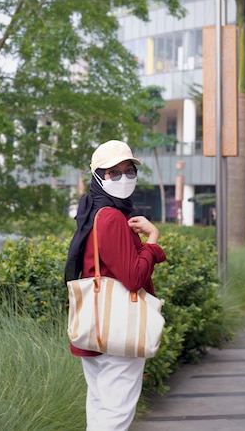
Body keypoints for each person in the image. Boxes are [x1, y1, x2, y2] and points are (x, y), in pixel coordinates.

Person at [65, 139, 166, 431]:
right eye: (114, 173)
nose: (124, 178)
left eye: (129, 171)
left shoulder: (95, 212)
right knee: (115, 415)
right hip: (118, 329)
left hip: (97, 326)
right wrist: (153, 242)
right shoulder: (111, 217)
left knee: (100, 408)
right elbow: (133, 278)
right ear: (98, 176)